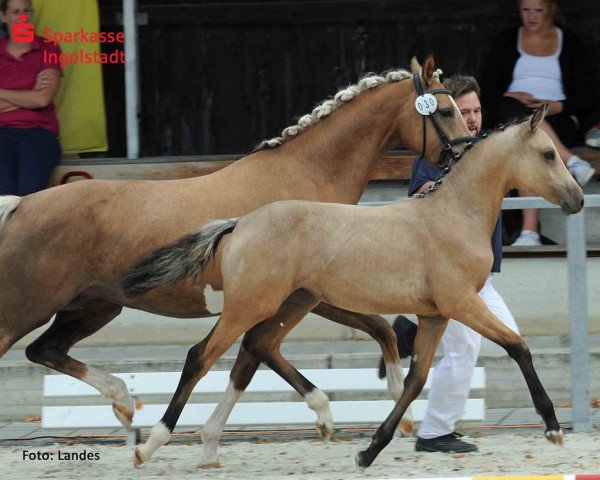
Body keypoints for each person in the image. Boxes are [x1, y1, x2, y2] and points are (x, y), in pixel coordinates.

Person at [380, 75, 520, 454]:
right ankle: (435, 433)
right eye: (465, 111)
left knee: (503, 342)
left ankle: (409, 328)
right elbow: (421, 195)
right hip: (445, 278)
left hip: (479, 279)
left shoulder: (487, 150)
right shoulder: (435, 154)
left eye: (476, 110)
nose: (473, 118)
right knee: (465, 349)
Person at [480, 0, 599, 246]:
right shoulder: (506, 40)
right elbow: (487, 89)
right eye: (526, 10)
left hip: (558, 120)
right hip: (510, 118)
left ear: (551, 10)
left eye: (538, 10)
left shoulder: (571, 43)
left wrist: (558, 106)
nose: (531, 16)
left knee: (524, 138)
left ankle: (529, 232)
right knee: (520, 129)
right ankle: (572, 162)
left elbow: (588, 94)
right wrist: (513, 95)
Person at [0, 0, 62, 196]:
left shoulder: (48, 48)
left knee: (29, 197)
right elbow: (36, 98)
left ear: (32, 13)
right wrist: (30, 93)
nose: (22, 16)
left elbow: (43, 99)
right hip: (1, 134)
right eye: (15, 11)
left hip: (38, 133)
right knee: (4, 198)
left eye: (26, 10)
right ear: (3, 16)